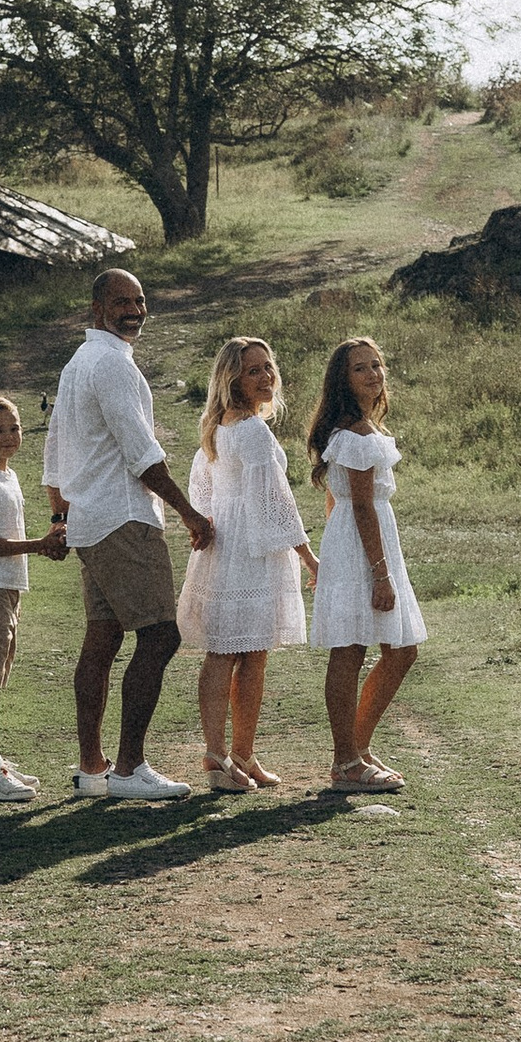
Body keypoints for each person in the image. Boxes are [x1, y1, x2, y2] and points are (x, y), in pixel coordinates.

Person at [41, 267, 216, 805]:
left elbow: (54, 455)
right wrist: (189, 513)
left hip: (92, 522)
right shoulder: (110, 366)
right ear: (97, 310)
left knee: (103, 638)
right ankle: (129, 767)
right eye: (121, 302)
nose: (133, 310)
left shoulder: (79, 364)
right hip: (121, 519)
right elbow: (143, 456)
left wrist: (62, 516)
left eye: (139, 300)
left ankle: (93, 767)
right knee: (161, 635)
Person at [177, 335, 313, 789]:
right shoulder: (251, 430)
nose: (265, 376)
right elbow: (276, 499)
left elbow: (203, 484)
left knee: (244, 652)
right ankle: (221, 756)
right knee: (236, 654)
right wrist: (309, 556)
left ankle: (238, 755)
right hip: (250, 551)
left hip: (228, 544)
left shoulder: (219, 425)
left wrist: (209, 523)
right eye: (253, 370)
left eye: (267, 367)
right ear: (232, 378)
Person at [307, 332, 426, 795]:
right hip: (362, 546)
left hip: (356, 542)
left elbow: (339, 502)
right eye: (361, 368)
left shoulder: (359, 430)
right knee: (353, 649)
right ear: (343, 380)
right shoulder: (355, 434)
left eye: (377, 365)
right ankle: (346, 761)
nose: (373, 374)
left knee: (398, 649)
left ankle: (355, 749)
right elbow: (359, 506)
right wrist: (379, 572)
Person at [0, 393, 65, 803]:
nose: (8, 437)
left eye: (15, 428)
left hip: (8, 589)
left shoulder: (10, 475)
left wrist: (47, 541)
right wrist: (40, 545)